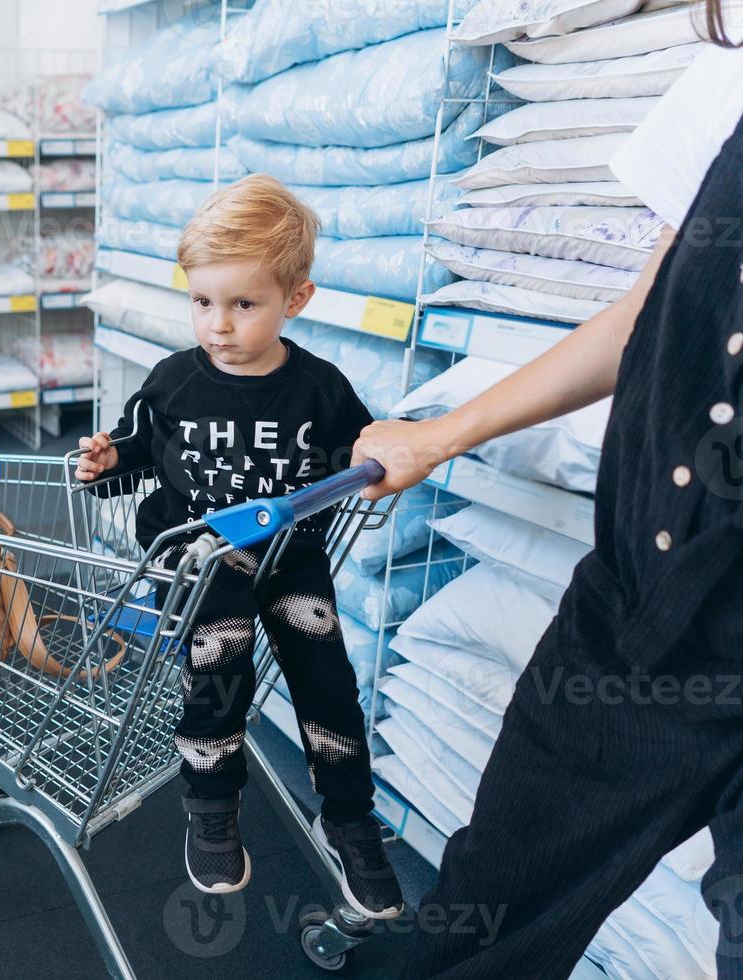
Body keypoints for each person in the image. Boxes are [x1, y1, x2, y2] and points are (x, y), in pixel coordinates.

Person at [349, 4, 743, 975]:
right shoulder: (726, 77)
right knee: (486, 908)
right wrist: (439, 435)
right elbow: (646, 314)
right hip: (644, 596)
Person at [75, 175, 404, 919]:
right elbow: (128, 456)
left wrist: (381, 463)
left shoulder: (321, 389)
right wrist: (101, 464)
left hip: (291, 557)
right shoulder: (171, 383)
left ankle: (348, 816)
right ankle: (212, 803)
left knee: (328, 681)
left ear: (297, 299)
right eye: (202, 302)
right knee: (221, 656)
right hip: (193, 556)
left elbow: (360, 451)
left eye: (243, 304)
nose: (217, 325)